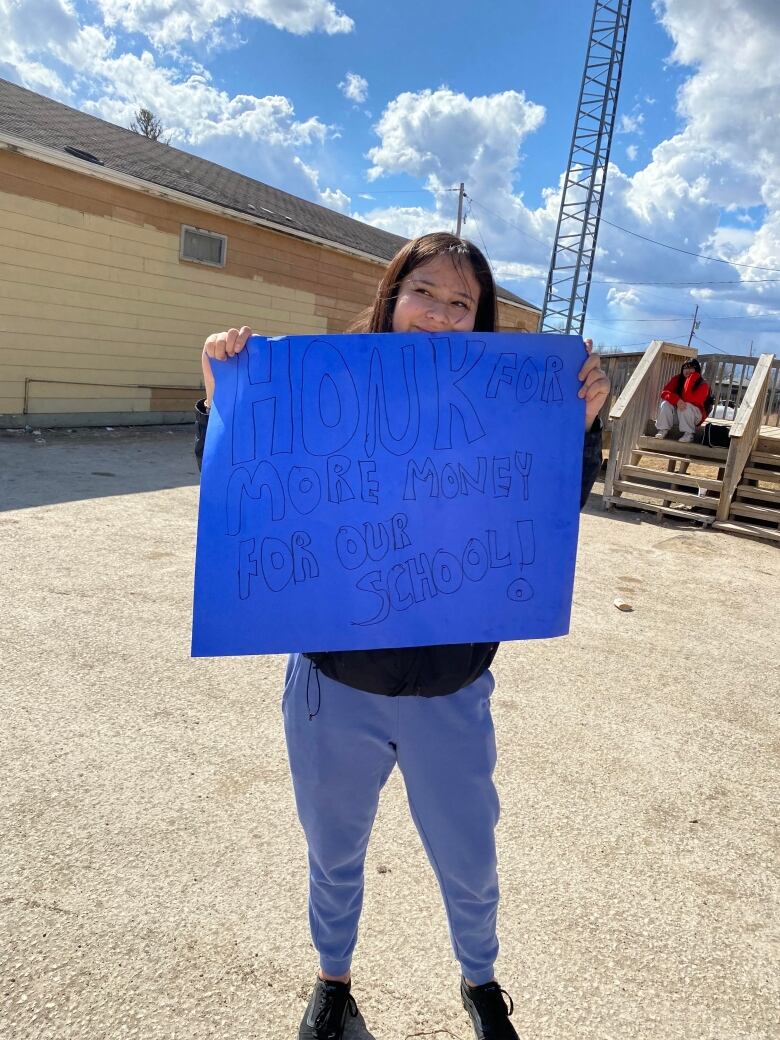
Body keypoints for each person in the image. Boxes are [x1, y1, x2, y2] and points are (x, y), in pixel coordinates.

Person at [194, 233, 610, 1040]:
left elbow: (543, 513)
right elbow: (241, 491)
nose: (441, 315)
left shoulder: (502, 400)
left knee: (470, 856)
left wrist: (576, 432)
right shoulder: (315, 381)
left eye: (463, 304)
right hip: (334, 687)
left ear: (480, 321)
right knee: (333, 850)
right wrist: (223, 395)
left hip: (451, 691)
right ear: (391, 295)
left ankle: (482, 984)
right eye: (426, 291)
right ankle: (332, 982)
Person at [654, 358, 711, 443]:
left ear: (697, 369)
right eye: (685, 367)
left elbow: (689, 399)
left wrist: (691, 379)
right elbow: (664, 393)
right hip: (680, 414)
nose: (687, 370)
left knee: (686, 405)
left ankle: (689, 434)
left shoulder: (703, 385)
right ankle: (663, 430)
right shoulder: (677, 379)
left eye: (691, 367)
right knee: (666, 403)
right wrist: (676, 400)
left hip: (694, 417)